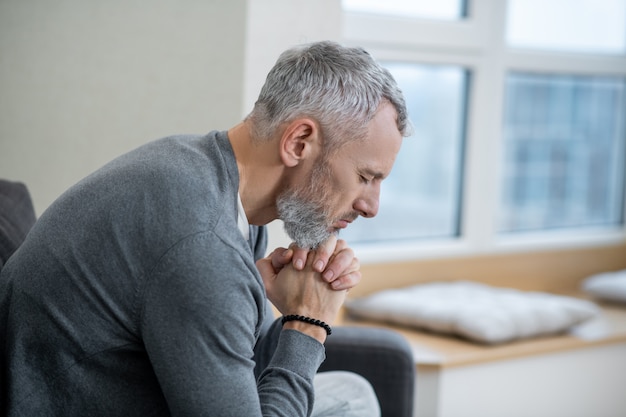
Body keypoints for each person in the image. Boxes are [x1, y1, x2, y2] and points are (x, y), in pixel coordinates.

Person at [0, 40, 409, 416]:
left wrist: (274, 309)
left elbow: (238, 376)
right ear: (299, 142)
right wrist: (308, 326)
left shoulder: (207, 176)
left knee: (351, 393)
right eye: (366, 177)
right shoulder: (200, 243)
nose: (371, 206)